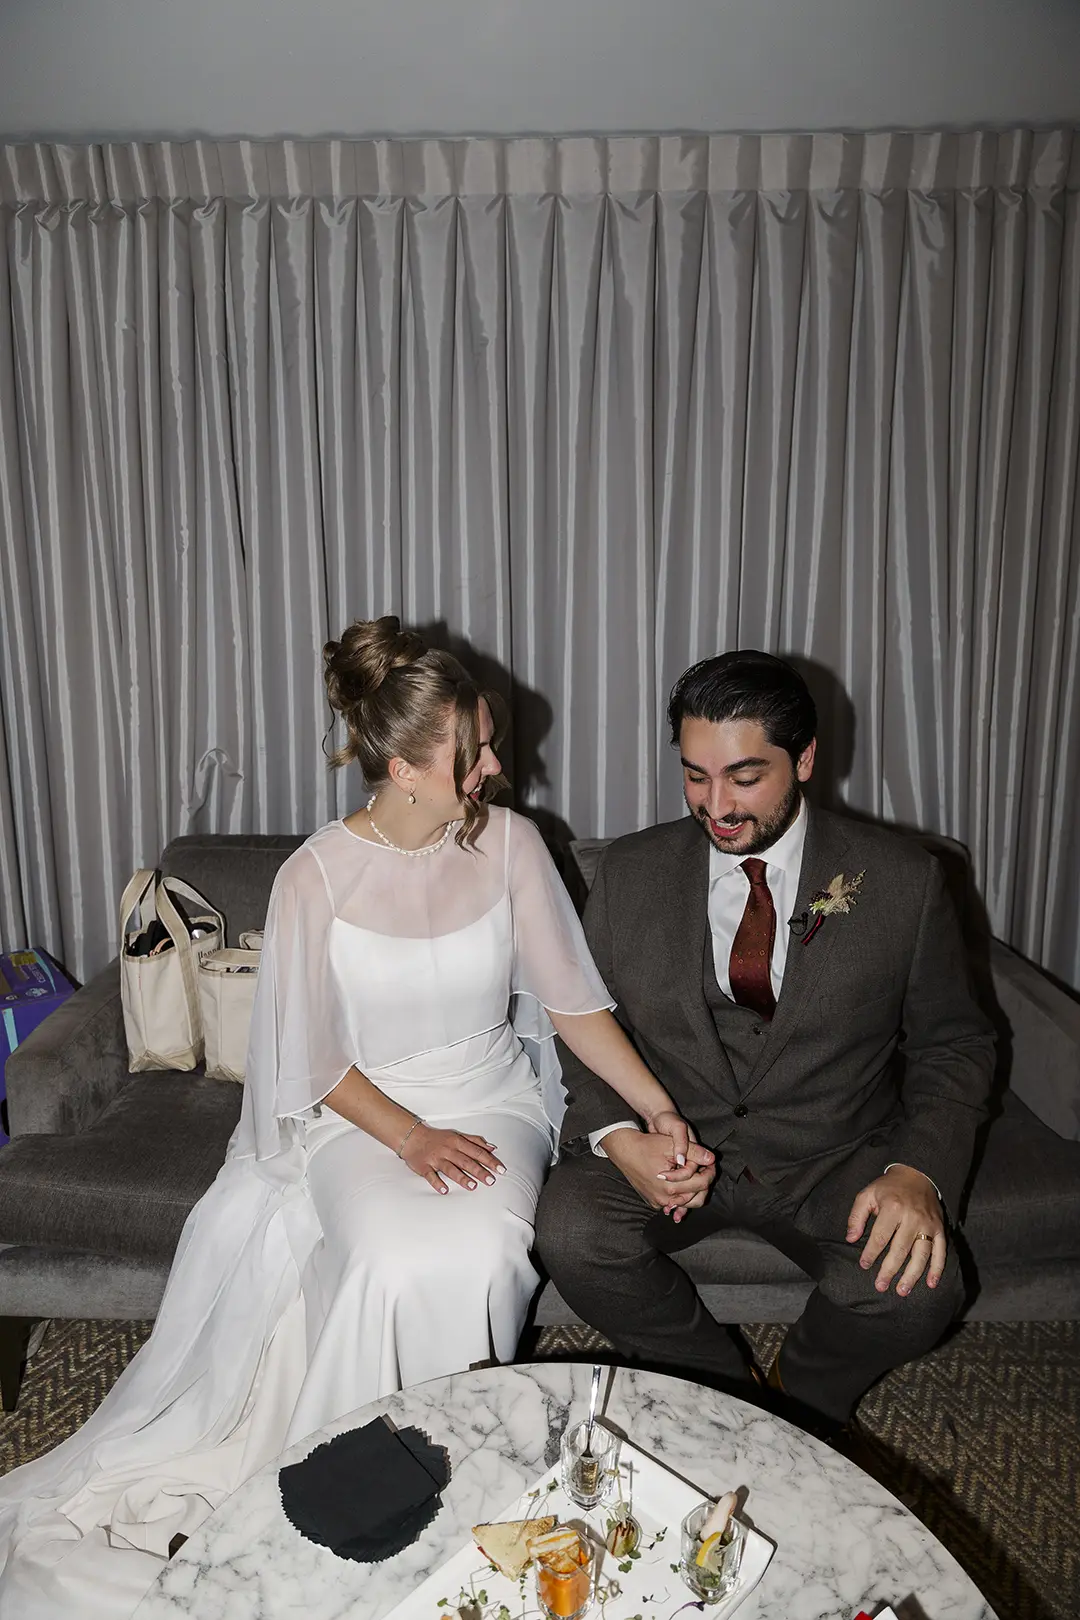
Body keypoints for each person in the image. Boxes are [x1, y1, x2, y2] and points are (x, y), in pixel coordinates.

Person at [0, 617, 700, 1620]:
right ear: (408, 766)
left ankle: (454, 1476)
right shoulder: (314, 877)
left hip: (489, 1095)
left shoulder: (512, 845)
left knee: (481, 1247)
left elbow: (575, 1007)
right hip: (359, 1116)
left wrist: (659, 1109)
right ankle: (355, 1496)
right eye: (477, 751)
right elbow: (309, 1056)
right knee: (382, 1254)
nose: (499, 765)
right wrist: (408, 1137)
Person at [535, 649, 996, 1437]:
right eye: (694, 776)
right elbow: (583, 1022)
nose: (715, 806)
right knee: (570, 1233)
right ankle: (720, 1388)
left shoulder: (901, 881)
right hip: (676, 1143)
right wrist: (617, 1136)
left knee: (925, 1287)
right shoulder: (629, 872)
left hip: (832, 1153)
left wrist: (919, 1170)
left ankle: (801, 1395)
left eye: (745, 777)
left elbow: (957, 1043)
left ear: (806, 758)